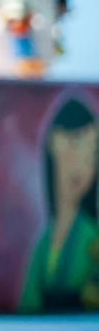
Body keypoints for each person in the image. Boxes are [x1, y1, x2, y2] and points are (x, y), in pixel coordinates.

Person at [20, 97, 99, 312]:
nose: (82, 166)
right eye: (75, 144)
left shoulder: (93, 235)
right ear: (54, 143)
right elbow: (29, 305)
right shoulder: (43, 243)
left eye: (92, 155)